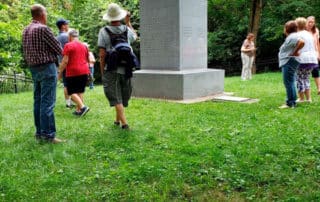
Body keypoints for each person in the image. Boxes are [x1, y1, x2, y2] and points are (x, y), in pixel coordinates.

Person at [22, 4, 64, 143]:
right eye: (45, 13)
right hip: (46, 67)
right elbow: (58, 48)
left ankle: (39, 132)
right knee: (47, 101)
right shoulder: (43, 29)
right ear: (41, 14)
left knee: (38, 100)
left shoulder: (26, 29)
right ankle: (48, 135)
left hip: (34, 68)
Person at [98, 3, 137, 129]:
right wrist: (128, 22)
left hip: (112, 68)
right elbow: (135, 37)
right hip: (127, 68)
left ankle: (125, 124)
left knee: (115, 96)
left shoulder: (104, 31)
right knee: (121, 93)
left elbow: (102, 54)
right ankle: (117, 120)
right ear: (120, 17)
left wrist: (103, 71)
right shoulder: (126, 29)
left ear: (109, 18)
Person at [58, 29, 90, 117]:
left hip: (73, 71)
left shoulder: (68, 45)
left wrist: (60, 72)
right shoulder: (84, 46)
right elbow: (87, 59)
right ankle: (79, 110)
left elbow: (65, 61)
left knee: (70, 91)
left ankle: (83, 107)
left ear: (69, 36)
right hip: (84, 70)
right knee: (80, 91)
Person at [278, 21, 305, 109]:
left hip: (288, 61)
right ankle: (292, 100)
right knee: (291, 81)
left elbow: (301, 42)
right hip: (290, 60)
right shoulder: (292, 36)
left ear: (287, 28)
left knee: (288, 82)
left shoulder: (292, 36)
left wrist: (295, 52)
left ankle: (290, 103)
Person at [295, 17, 319, 103]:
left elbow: (297, 46)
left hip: (302, 59)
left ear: (296, 25)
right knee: (306, 78)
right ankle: (309, 99)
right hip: (312, 59)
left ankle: (301, 98)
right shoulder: (309, 34)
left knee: (299, 78)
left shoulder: (298, 35)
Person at [56, 18, 74, 108]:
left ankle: (69, 102)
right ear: (63, 26)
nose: (68, 26)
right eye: (67, 24)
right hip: (68, 62)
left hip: (61, 62)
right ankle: (69, 103)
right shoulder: (66, 36)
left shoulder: (57, 37)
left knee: (67, 82)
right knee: (68, 84)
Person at [306, 16, 320, 94]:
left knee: (316, 70)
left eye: (312, 22)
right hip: (306, 54)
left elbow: (317, 42)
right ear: (306, 22)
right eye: (309, 22)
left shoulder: (316, 31)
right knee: (305, 72)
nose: (311, 24)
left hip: (314, 53)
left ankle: (319, 88)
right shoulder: (303, 31)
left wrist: (318, 53)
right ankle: (306, 90)